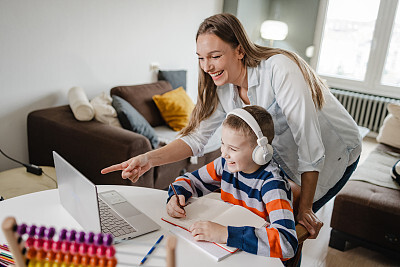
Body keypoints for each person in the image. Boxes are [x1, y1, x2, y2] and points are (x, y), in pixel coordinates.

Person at [101, 13, 362, 239]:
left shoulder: (279, 69)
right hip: (282, 155)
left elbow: (310, 145)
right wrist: (148, 159)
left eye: (214, 56)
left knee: (289, 225)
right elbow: (196, 139)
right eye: (201, 58)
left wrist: (305, 208)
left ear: (239, 50)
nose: (206, 67)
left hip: (334, 149)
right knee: (264, 221)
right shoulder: (223, 88)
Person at [167, 105, 298, 260]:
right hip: (225, 249)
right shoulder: (224, 165)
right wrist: (176, 195)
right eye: (223, 144)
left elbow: (286, 243)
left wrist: (224, 233)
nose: (224, 153)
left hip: (256, 257)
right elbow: (190, 181)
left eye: (233, 149)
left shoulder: (272, 184)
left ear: (260, 152)